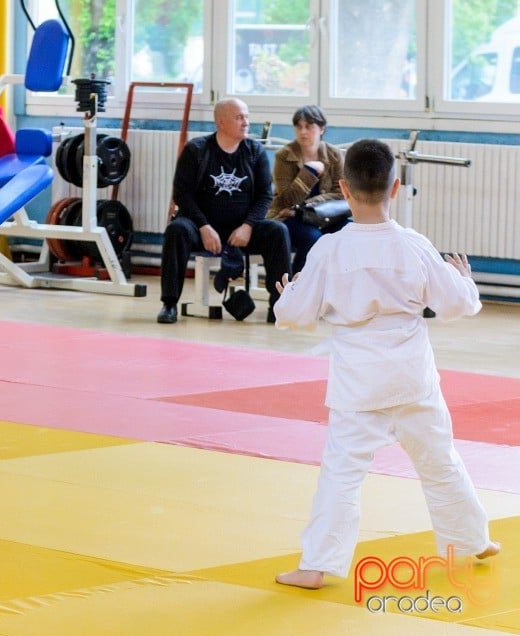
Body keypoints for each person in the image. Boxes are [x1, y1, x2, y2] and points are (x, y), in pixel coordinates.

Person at [272, 139, 499, 590]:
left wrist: (287, 296)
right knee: (440, 462)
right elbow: (455, 305)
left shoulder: (328, 250)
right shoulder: (413, 245)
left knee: (341, 474)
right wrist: (465, 282)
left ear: (343, 188)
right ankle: (472, 539)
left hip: (358, 385)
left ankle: (317, 565)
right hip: (413, 378)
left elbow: (296, 317)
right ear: (394, 188)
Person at [157, 98, 290, 324]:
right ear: (221, 122)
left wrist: (248, 226)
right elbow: (182, 194)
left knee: (278, 231)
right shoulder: (197, 150)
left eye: (247, 117)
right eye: (239, 117)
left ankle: (279, 307)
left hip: (241, 229)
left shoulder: (254, 151)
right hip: (202, 228)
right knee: (176, 230)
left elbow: (264, 195)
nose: (246, 122)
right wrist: (203, 226)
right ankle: (169, 304)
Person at [268, 105, 347, 274]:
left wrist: (305, 207)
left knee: (350, 233)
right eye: (299, 127)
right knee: (313, 238)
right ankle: (296, 290)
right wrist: (309, 172)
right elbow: (287, 199)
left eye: (309, 127)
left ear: (322, 129)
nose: (303, 132)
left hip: (326, 216)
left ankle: (338, 289)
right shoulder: (284, 156)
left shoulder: (334, 155)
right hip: (288, 218)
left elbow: (342, 194)